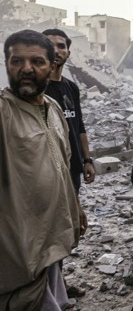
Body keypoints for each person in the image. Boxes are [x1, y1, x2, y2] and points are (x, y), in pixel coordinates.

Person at [0, 29, 80, 310]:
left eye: (36, 62)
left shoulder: (55, 108)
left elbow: (64, 165)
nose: (26, 69)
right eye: (16, 61)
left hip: (52, 241)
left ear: (51, 65)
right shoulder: (4, 111)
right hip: (19, 250)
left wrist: (75, 208)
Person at [43, 29, 94, 234]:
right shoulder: (37, 89)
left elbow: (78, 125)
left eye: (61, 46)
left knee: (67, 230)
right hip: (48, 170)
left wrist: (87, 159)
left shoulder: (71, 87)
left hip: (72, 167)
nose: (56, 50)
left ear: (68, 53)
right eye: (50, 45)